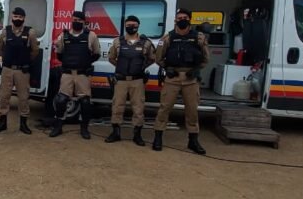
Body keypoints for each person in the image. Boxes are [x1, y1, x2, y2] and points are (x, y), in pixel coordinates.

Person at [152, 8, 210, 154]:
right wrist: (167, 67)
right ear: (175, 20)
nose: (182, 19)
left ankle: (193, 141)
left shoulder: (199, 37)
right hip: (173, 78)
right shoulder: (167, 38)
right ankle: (158, 137)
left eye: (185, 17)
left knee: (192, 110)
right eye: (179, 18)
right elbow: (158, 58)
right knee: (164, 108)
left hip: (191, 80)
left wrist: (196, 69)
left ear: (189, 19)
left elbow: (205, 59)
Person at [49, 10, 100, 139]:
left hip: (83, 74)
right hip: (67, 73)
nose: (76, 22)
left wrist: (84, 64)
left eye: (79, 20)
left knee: (85, 102)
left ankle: (84, 128)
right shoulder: (64, 36)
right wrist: (69, 64)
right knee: (61, 100)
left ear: (84, 22)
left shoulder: (91, 36)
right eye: (74, 20)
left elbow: (96, 54)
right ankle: (58, 126)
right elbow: (60, 54)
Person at [105, 15, 155, 146]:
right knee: (117, 106)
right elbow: (111, 58)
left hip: (137, 81)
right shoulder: (117, 42)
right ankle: (115, 133)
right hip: (121, 80)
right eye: (128, 25)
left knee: (138, 108)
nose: (131, 27)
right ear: (125, 26)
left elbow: (152, 58)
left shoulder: (146, 43)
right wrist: (121, 68)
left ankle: (137, 135)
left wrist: (140, 68)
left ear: (138, 26)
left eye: (133, 25)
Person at [0, 7, 40, 134]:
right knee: (4, 97)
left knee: (23, 98)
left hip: (22, 71)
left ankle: (23, 124)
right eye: (15, 17)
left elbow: (35, 51)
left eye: (20, 17)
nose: (17, 19)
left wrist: (26, 62)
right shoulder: (5, 32)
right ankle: (2, 123)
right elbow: (0, 48)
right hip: (7, 69)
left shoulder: (30, 32)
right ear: (12, 18)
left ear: (24, 18)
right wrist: (5, 59)